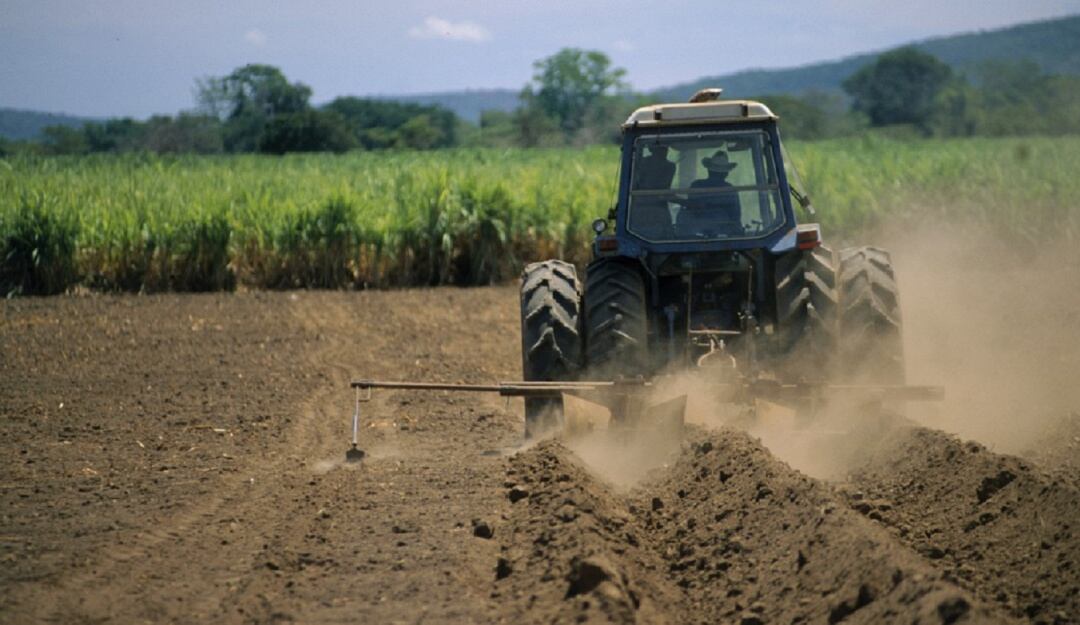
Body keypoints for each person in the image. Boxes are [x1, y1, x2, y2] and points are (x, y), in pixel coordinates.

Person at [682, 150, 742, 236]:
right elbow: (735, 217)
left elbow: (691, 208)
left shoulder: (697, 185)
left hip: (696, 235)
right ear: (726, 173)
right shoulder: (730, 189)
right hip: (724, 236)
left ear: (709, 171)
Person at [631, 145, 678, 238]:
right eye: (660, 148)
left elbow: (664, 191)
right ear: (652, 149)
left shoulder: (669, 166)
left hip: (658, 209)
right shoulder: (640, 164)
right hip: (641, 210)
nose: (664, 151)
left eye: (665, 148)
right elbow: (663, 191)